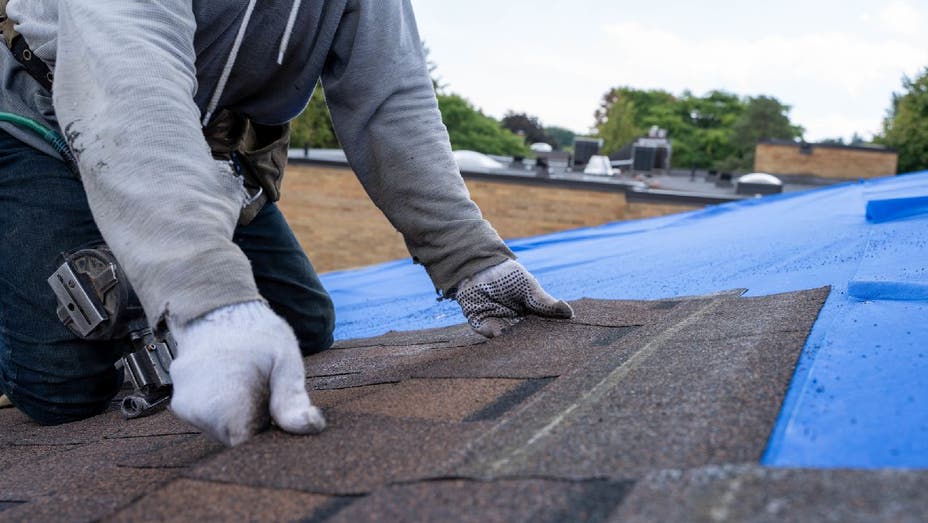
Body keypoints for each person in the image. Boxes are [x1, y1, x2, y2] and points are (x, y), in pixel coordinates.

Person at [0, 1, 572, 446]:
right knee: (63, 389)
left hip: (203, 143)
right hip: (44, 122)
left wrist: (472, 261)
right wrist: (208, 304)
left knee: (302, 326)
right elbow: (128, 85)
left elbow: (388, 96)